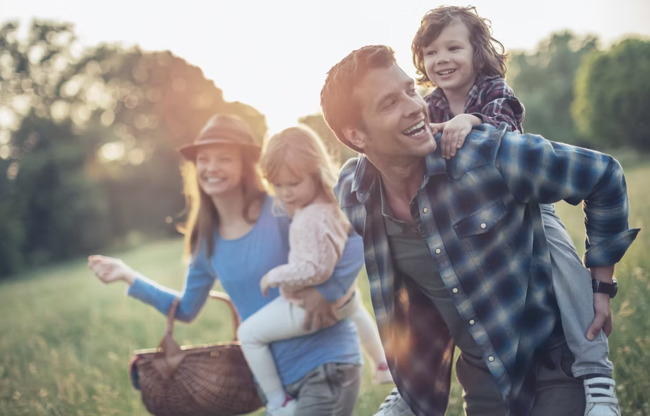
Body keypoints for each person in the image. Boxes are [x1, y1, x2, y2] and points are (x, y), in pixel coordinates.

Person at [319, 45, 639, 416]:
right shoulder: (355, 194)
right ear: (357, 136)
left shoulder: (483, 156)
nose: (414, 106)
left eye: (410, 90)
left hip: (550, 372)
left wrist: (601, 287)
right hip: (482, 384)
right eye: (390, 103)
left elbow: (603, 175)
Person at [87, 114, 364, 416]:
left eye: (224, 158)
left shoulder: (280, 208)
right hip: (275, 385)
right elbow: (186, 310)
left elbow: (356, 237)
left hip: (324, 364)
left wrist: (329, 290)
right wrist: (129, 277)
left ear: (246, 165)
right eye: (203, 159)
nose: (211, 167)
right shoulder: (205, 243)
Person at [236, 125, 392, 413]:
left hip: (308, 306)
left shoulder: (310, 217)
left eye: (293, 183)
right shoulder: (334, 204)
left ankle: (276, 400)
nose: (284, 193)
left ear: (315, 172)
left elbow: (314, 270)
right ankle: (381, 362)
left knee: (249, 334)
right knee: (355, 307)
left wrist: (275, 275)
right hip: (344, 302)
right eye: (278, 185)